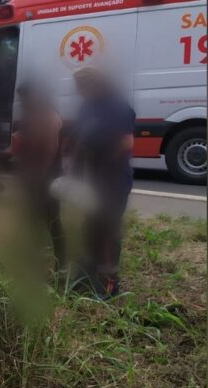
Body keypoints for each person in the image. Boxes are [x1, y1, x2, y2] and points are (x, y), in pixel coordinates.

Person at [69, 66, 135, 298]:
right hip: (93, 178)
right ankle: (88, 273)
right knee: (90, 226)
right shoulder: (87, 107)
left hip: (114, 179)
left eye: (81, 87)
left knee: (107, 229)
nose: (77, 91)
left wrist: (107, 164)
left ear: (94, 84)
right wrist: (74, 170)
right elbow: (80, 138)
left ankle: (109, 282)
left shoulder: (118, 107)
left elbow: (126, 142)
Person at [14, 81, 66, 270]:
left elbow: (49, 150)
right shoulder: (33, 115)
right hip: (35, 178)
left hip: (48, 179)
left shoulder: (49, 116)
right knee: (32, 219)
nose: (22, 103)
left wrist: (38, 179)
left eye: (23, 99)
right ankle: (35, 260)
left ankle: (62, 265)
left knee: (52, 222)